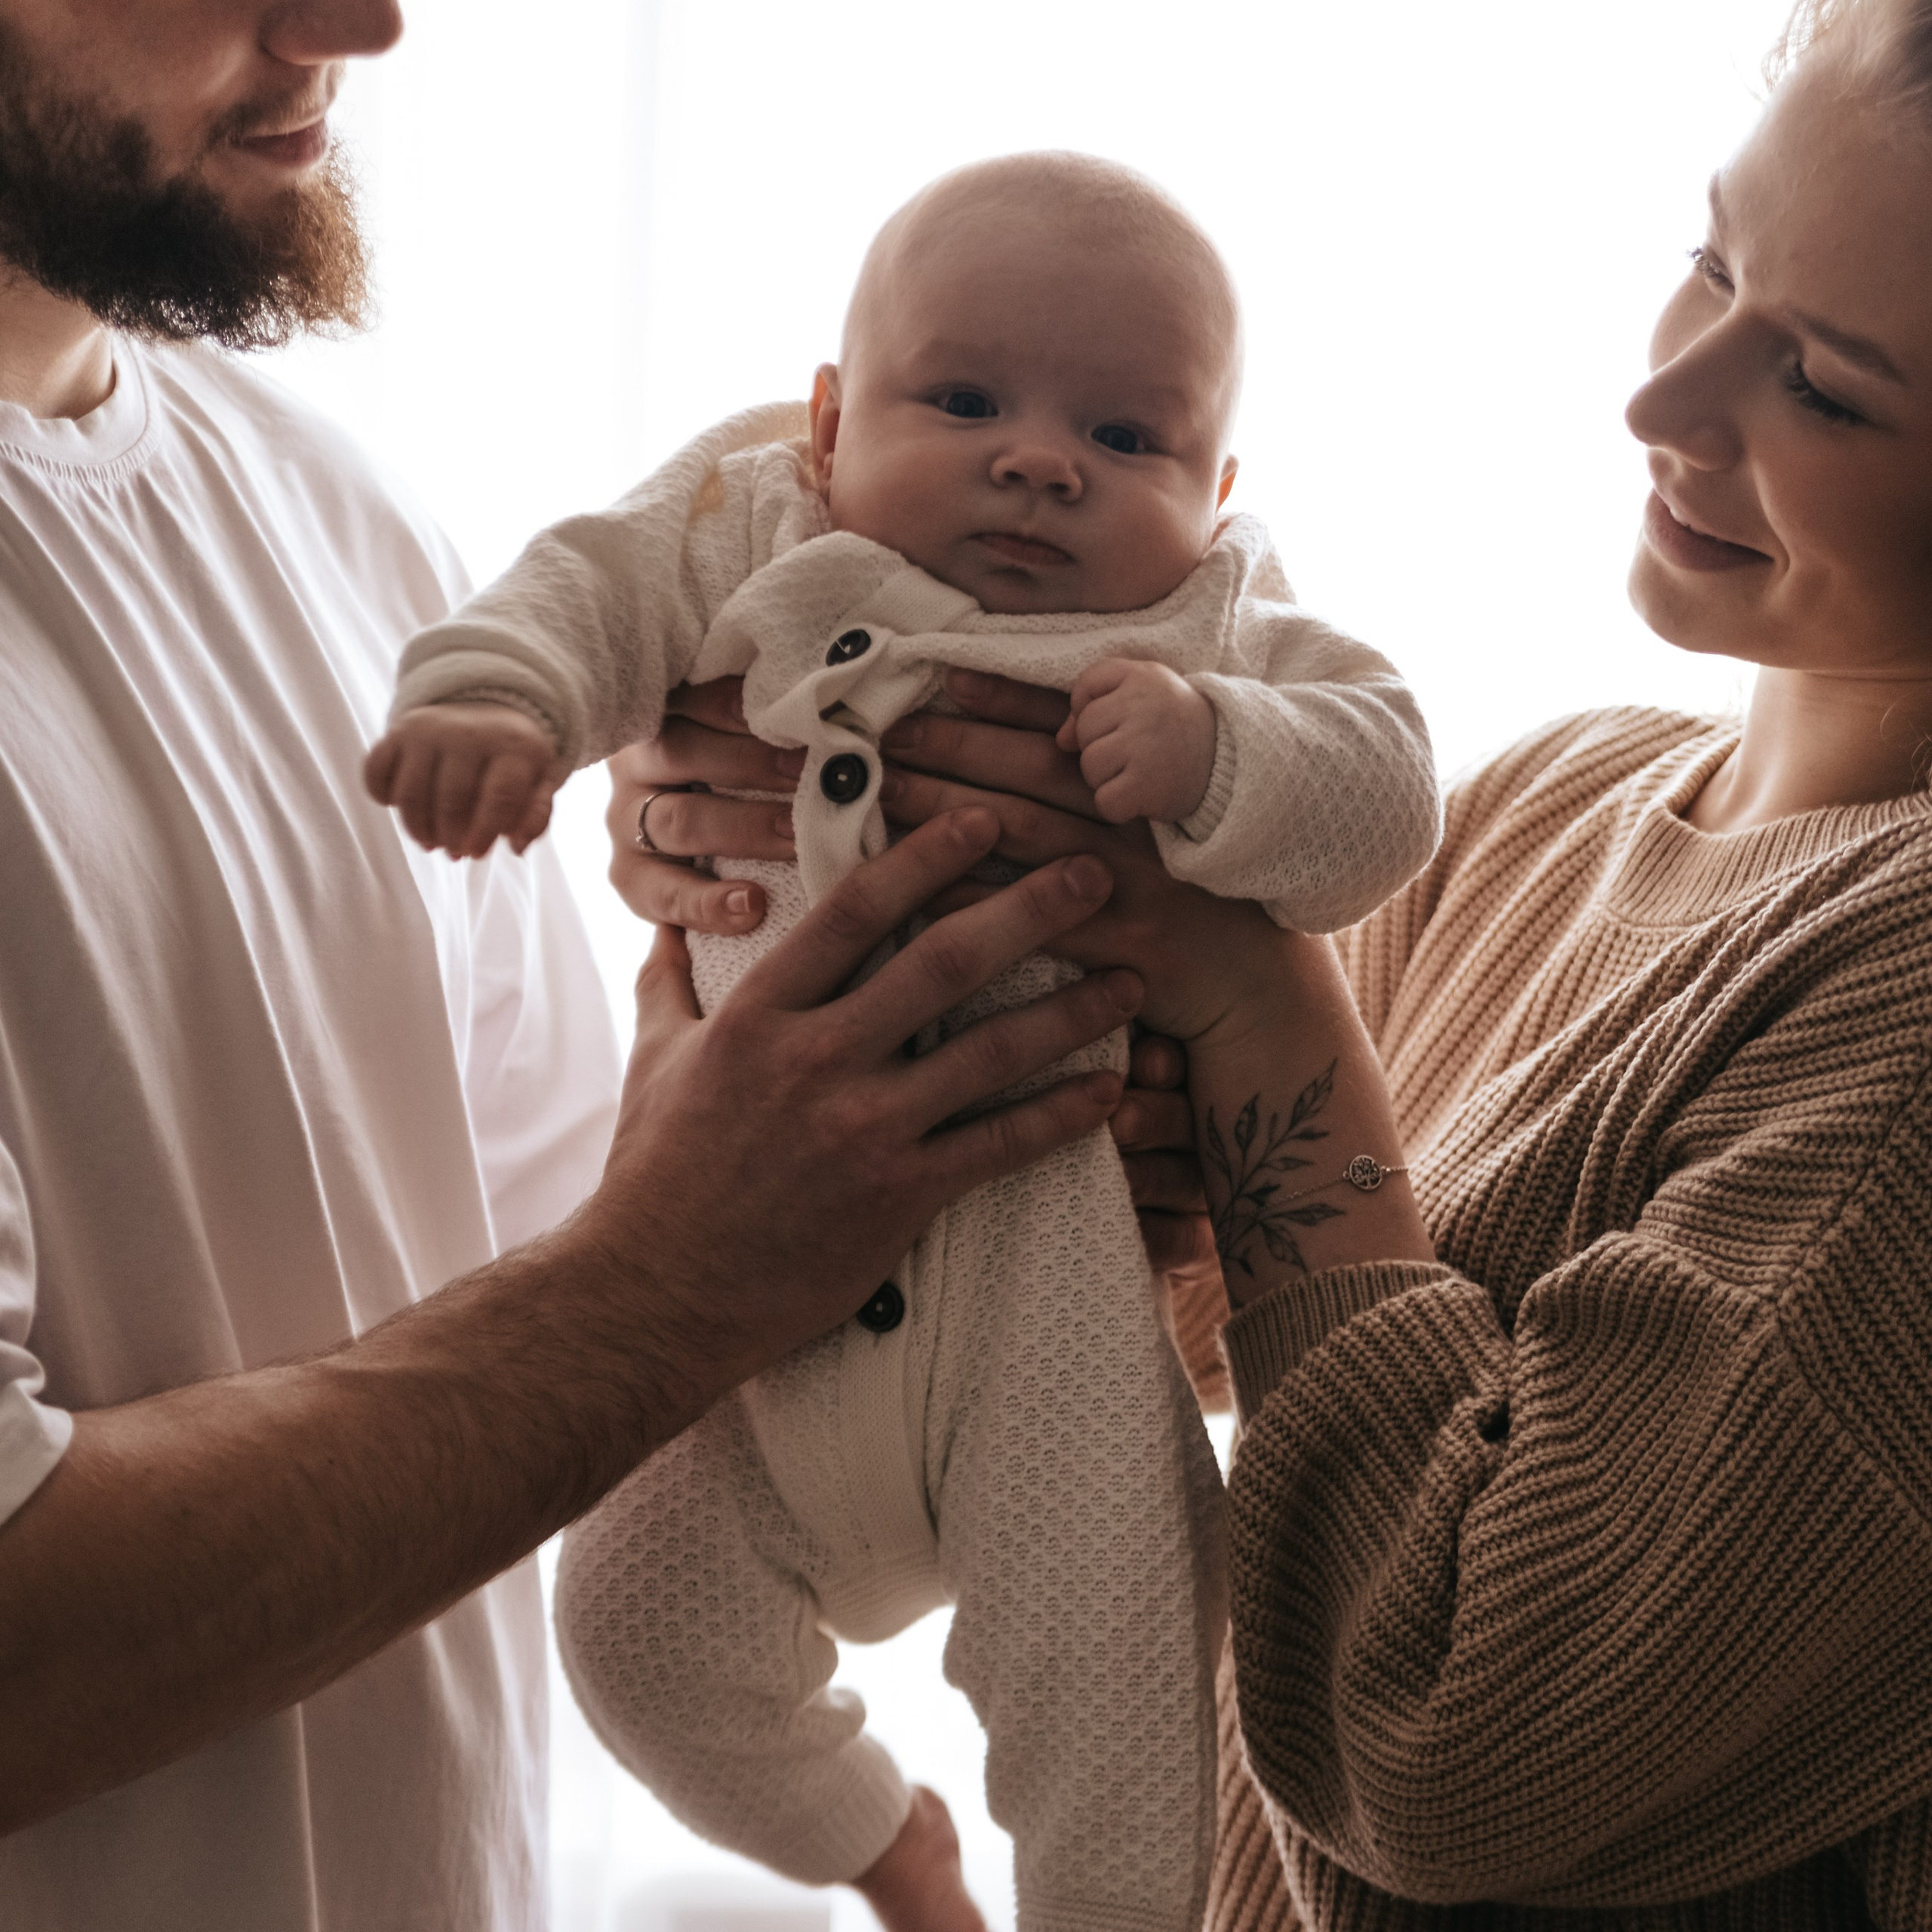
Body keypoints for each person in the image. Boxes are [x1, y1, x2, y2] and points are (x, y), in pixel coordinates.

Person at [632, 0, 1932, 1921]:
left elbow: (1450, 1747)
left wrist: (1242, 985)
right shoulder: (1550, 799)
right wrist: (798, 856)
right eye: (1709, 263)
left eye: (1819, 386)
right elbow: (1166, 1334)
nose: (1659, 404)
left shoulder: (1899, 1025)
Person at [0, 7, 1151, 1930]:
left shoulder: (336, 514)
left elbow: (541, 1278)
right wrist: (678, 1268)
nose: (362, 19)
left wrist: (812, 999)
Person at [366, 151, 1438, 1932]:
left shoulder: (1212, 624)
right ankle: (882, 1847)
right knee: (626, 1634)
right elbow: (588, 593)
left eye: (1127, 438)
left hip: (1044, 1295)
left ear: (1219, 486)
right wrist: (497, 700)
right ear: (825, 417)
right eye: (962, 399)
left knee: (1118, 1701)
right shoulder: (747, 520)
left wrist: (1220, 751)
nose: (1038, 458)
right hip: (736, 1305)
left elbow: (1382, 789)